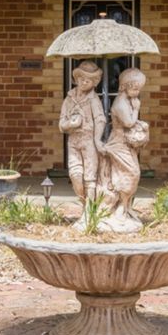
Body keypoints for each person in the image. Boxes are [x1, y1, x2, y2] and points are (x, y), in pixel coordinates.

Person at [99, 67, 150, 228]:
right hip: (118, 142)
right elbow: (128, 122)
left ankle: (124, 206)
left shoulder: (128, 99)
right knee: (131, 173)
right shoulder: (121, 102)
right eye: (135, 88)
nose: (137, 92)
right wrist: (136, 109)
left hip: (126, 143)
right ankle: (120, 207)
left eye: (138, 89)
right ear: (125, 86)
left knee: (129, 173)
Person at [59, 60, 106, 201]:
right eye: (81, 79)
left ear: (94, 83)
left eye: (88, 80)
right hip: (73, 141)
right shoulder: (69, 98)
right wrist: (70, 124)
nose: (84, 82)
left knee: (89, 177)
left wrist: (97, 139)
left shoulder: (93, 99)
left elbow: (100, 119)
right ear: (76, 78)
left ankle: (90, 211)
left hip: (88, 140)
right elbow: (61, 123)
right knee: (75, 174)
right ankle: (83, 202)